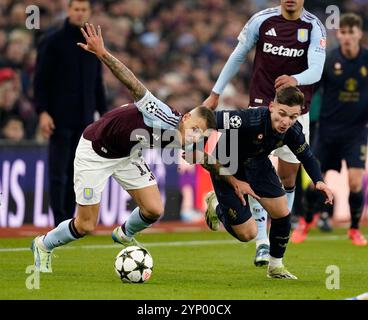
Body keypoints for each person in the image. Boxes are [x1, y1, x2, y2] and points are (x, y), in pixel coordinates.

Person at [31, 23, 240, 273]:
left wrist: (233, 181)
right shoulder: (162, 115)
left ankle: (124, 234)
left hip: (128, 154)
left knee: (154, 209)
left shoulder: (189, 140)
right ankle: (43, 245)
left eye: (201, 134)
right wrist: (103, 54)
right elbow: (134, 84)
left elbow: (207, 159)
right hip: (95, 151)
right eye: (195, 129)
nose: (196, 137)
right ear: (185, 118)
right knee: (86, 225)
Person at [203, 0, 326, 266]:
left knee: (287, 177)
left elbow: (317, 69)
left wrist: (296, 79)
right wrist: (216, 92)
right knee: (258, 166)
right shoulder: (262, 20)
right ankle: (261, 240)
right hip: (260, 107)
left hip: (294, 111)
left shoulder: (314, 26)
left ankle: (278, 232)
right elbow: (238, 55)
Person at [203, 86, 333, 279]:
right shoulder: (248, 119)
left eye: (293, 117)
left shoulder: (292, 130)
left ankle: (275, 267)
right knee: (247, 234)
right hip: (226, 164)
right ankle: (216, 205)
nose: (286, 122)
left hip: (257, 163)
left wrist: (319, 181)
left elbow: (306, 155)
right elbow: (204, 120)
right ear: (271, 106)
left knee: (282, 212)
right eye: (282, 114)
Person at [291, 13, 368, 246]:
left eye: (351, 32)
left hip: (356, 132)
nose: (347, 37)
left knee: (355, 182)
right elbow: (313, 91)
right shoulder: (329, 60)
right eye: (343, 32)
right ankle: (305, 221)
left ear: (359, 34)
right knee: (316, 180)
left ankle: (354, 229)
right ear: (339, 34)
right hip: (327, 130)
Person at [33, 0, 107, 226]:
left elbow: (97, 83)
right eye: (76, 9)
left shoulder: (93, 44)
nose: (79, 13)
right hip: (59, 117)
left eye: (84, 9)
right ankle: (59, 221)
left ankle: (70, 222)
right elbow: (41, 80)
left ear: (89, 12)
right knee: (59, 172)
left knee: (78, 172)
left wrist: (103, 114)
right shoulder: (52, 42)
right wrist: (43, 112)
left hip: (85, 121)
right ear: (68, 11)